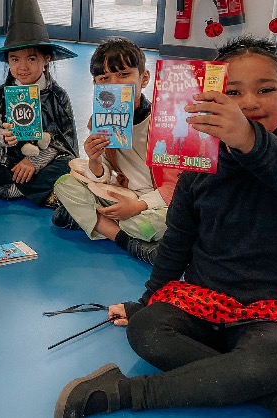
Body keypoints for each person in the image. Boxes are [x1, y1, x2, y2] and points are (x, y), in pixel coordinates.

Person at [54, 37, 277, 418]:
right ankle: (273, 395)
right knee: (146, 330)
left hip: (271, 311)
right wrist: (145, 301)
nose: (249, 102)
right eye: (232, 92)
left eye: (265, 90)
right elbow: (177, 242)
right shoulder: (197, 171)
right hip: (203, 301)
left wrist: (249, 139)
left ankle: (124, 392)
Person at [52, 37, 175, 265]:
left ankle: (89, 220)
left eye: (124, 75)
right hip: (121, 194)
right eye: (104, 78)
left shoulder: (165, 123)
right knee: (63, 185)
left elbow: (175, 186)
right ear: (96, 85)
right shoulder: (100, 121)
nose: (115, 84)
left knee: (153, 221)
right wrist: (95, 161)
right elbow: (106, 175)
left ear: (144, 78)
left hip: (156, 203)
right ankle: (130, 243)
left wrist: (138, 206)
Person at [0, 0, 78, 207]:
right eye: (14, 59)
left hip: (40, 164)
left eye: (31, 59)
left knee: (68, 165)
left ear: (46, 59)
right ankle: (30, 191)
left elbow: (65, 145)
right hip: (3, 163)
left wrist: (34, 162)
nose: (22, 67)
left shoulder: (58, 96)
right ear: (8, 61)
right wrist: (2, 137)